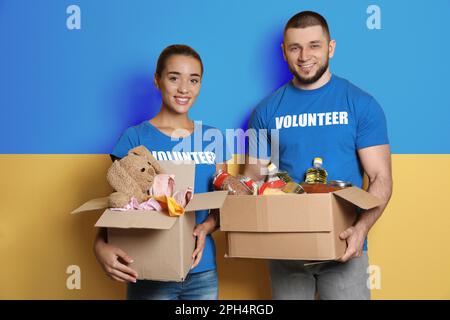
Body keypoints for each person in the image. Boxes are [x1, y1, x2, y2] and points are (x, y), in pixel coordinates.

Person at [244, 11, 393, 300]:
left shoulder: (361, 104)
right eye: (295, 47)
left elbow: (380, 177)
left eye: (314, 45)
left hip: (345, 246)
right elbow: (255, 179)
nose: (304, 56)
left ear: (331, 47)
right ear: (284, 52)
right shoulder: (265, 112)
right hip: (286, 248)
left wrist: (361, 230)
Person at [93, 44, 230, 300]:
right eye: (174, 77)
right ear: (157, 80)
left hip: (201, 272)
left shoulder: (214, 139)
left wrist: (206, 227)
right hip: (147, 270)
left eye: (193, 80)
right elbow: (120, 204)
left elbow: (221, 204)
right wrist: (99, 245)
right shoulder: (134, 138)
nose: (184, 89)